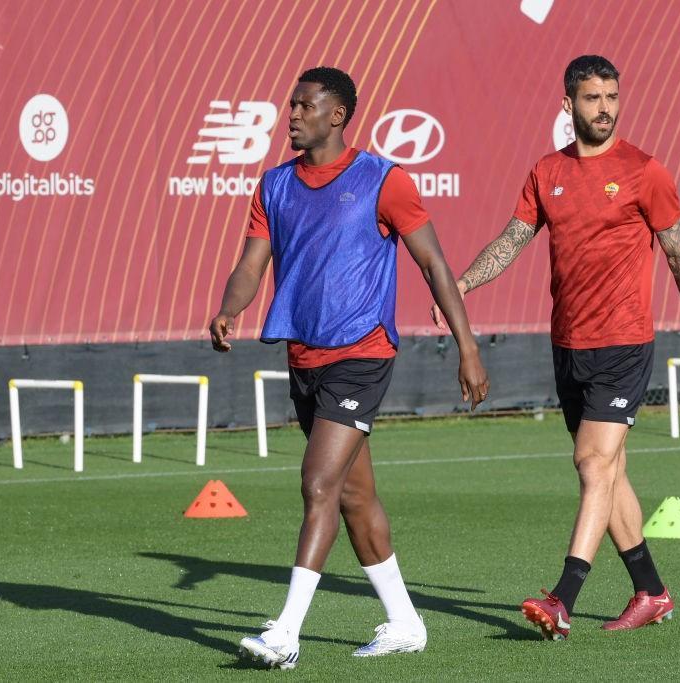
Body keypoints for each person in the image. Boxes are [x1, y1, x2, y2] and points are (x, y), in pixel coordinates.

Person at [431, 55, 680, 639]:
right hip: (569, 345)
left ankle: (563, 597)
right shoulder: (546, 172)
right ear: (569, 105)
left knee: (592, 464)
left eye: (612, 96)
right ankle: (651, 591)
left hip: (624, 343)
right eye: (592, 98)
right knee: (608, 472)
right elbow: (513, 238)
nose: (605, 108)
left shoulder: (645, 171)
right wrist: (460, 286)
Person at [209, 66, 488, 669]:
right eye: (291, 106)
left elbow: (435, 265)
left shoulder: (383, 180)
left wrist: (467, 346)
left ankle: (285, 634)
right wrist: (231, 309)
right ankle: (406, 622)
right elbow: (251, 265)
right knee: (355, 498)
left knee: (317, 485)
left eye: (304, 106)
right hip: (303, 357)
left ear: (336, 115)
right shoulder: (274, 185)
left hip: (361, 354)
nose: (292, 115)